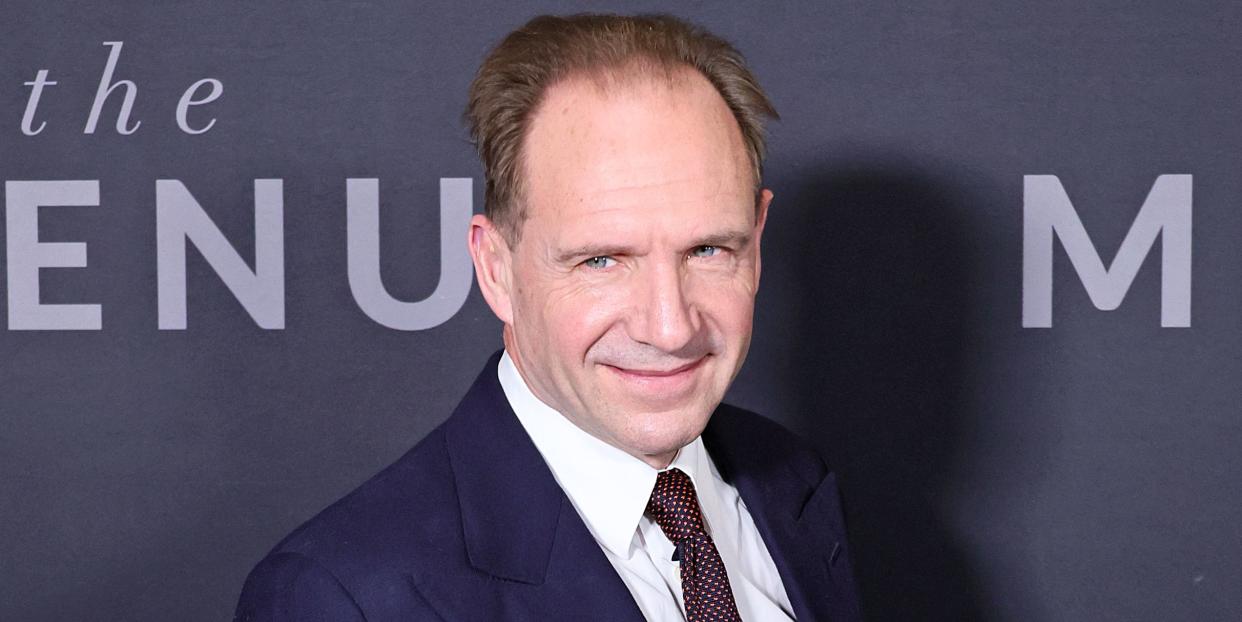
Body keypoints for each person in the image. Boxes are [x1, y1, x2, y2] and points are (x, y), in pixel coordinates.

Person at [236, 13, 861, 621]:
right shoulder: (344, 598)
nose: (670, 328)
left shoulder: (790, 478)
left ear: (756, 241)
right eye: (601, 261)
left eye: (707, 250)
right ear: (496, 270)